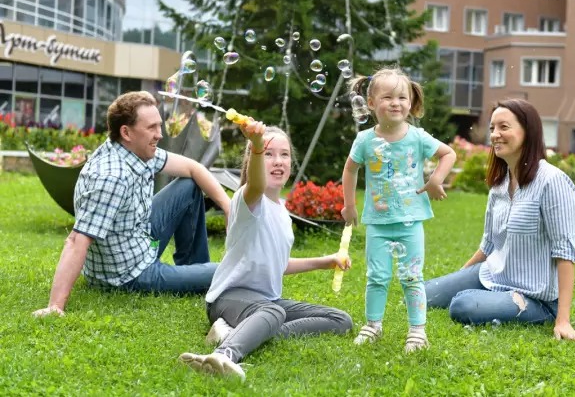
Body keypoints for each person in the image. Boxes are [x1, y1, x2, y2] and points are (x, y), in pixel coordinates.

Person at [179, 121, 353, 380]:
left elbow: (279, 264)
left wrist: (325, 261)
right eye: (269, 154)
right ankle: (224, 354)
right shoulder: (248, 199)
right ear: (254, 159)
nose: (278, 161)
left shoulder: (282, 212)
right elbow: (257, 185)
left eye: (284, 155)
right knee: (273, 313)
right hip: (228, 298)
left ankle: (239, 333)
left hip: (265, 301)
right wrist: (257, 146)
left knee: (340, 319)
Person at [32, 91, 231, 317]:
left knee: (189, 183)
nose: (160, 134)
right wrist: (55, 306)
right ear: (126, 132)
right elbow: (76, 241)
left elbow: (193, 168)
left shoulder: (133, 150)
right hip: (129, 274)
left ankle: (195, 267)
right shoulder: (112, 178)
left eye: (159, 125)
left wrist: (228, 207)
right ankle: (200, 275)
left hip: (138, 239)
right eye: (151, 128)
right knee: (229, 270)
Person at [425, 98, 575, 341]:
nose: (495, 135)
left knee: (462, 305)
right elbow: (489, 244)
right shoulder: (499, 185)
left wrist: (563, 320)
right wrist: (457, 279)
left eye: (504, 127)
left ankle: (539, 312)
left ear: (528, 132)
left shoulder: (552, 181)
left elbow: (565, 252)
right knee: (424, 294)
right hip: (493, 274)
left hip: (535, 297)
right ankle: (486, 295)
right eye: (492, 128)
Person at [341, 66, 456, 353]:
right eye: (388, 97)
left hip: (410, 222)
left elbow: (448, 154)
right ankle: (373, 325)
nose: (396, 103)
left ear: (410, 102)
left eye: (402, 97)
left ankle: (417, 331)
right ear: (371, 103)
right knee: (377, 277)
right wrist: (349, 205)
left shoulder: (417, 137)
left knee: (412, 277)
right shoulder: (365, 140)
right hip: (378, 223)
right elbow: (350, 170)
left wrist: (435, 180)